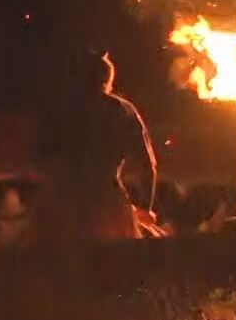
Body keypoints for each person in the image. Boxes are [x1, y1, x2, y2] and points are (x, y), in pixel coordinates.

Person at [36, 49, 158, 243]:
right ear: (107, 78)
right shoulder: (122, 110)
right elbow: (146, 164)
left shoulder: (61, 109)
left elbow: (41, 155)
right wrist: (144, 207)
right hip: (106, 202)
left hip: (63, 202)